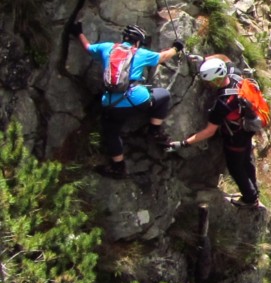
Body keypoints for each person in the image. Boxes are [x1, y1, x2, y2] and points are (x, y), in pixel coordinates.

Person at [69, 22, 184, 179]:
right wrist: (176, 48)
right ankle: (154, 130)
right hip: (137, 100)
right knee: (163, 95)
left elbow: (88, 48)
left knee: (111, 132)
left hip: (111, 104)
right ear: (137, 42)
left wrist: (78, 33)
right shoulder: (140, 53)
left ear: (123, 38)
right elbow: (163, 57)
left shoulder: (107, 48)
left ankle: (118, 167)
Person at [168, 56, 261, 207]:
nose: (208, 84)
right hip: (247, 128)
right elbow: (225, 58)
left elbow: (209, 131)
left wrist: (184, 143)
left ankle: (250, 199)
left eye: (209, 81)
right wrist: (204, 59)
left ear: (216, 80)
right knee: (247, 160)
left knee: (236, 167)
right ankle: (254, 191)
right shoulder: (234, 74)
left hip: (235, 137)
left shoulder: (223, 103)